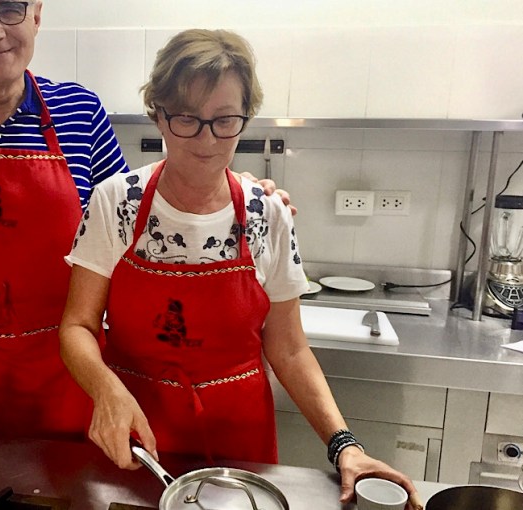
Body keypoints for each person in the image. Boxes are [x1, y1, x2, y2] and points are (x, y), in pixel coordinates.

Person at [0, 0, 288, 439]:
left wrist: (228, 183)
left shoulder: (81, 113)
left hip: (65, 369)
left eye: (11, 9)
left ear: (35, 15)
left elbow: (135, 214)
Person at [59, 28, 420, 508]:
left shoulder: (265, 213)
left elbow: (289, 349)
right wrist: (105, 391)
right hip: (137, 435)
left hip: (240, 446)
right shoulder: (116, 202)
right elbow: (77, 325)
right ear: (159, 115)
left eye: (225, 120)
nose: (206, 140)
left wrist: (344, 445)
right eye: (188, 119)